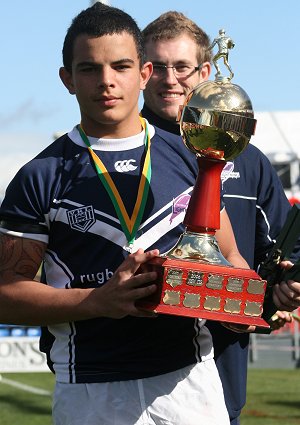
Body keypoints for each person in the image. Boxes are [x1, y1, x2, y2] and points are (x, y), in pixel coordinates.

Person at [0, 3, 260, 425]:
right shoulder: (39, 176)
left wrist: (238, 305)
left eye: (121, 66)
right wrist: (99, 302)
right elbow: (6, 295)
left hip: (188, 382)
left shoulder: (193, 155)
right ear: (67, 79)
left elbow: (229, 259)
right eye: (89, 68)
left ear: (144, 73)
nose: (106, 81)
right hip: (90, 388)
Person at [141, 11, 299, 424]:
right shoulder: (122, 152)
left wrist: (284, 286)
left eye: (181, 67)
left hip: (224, 371)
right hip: (135, 371)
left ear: (206, 71)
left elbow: (286, 245)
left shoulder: (248, 161)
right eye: (157, 66)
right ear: (142, 70)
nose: (169, 79)